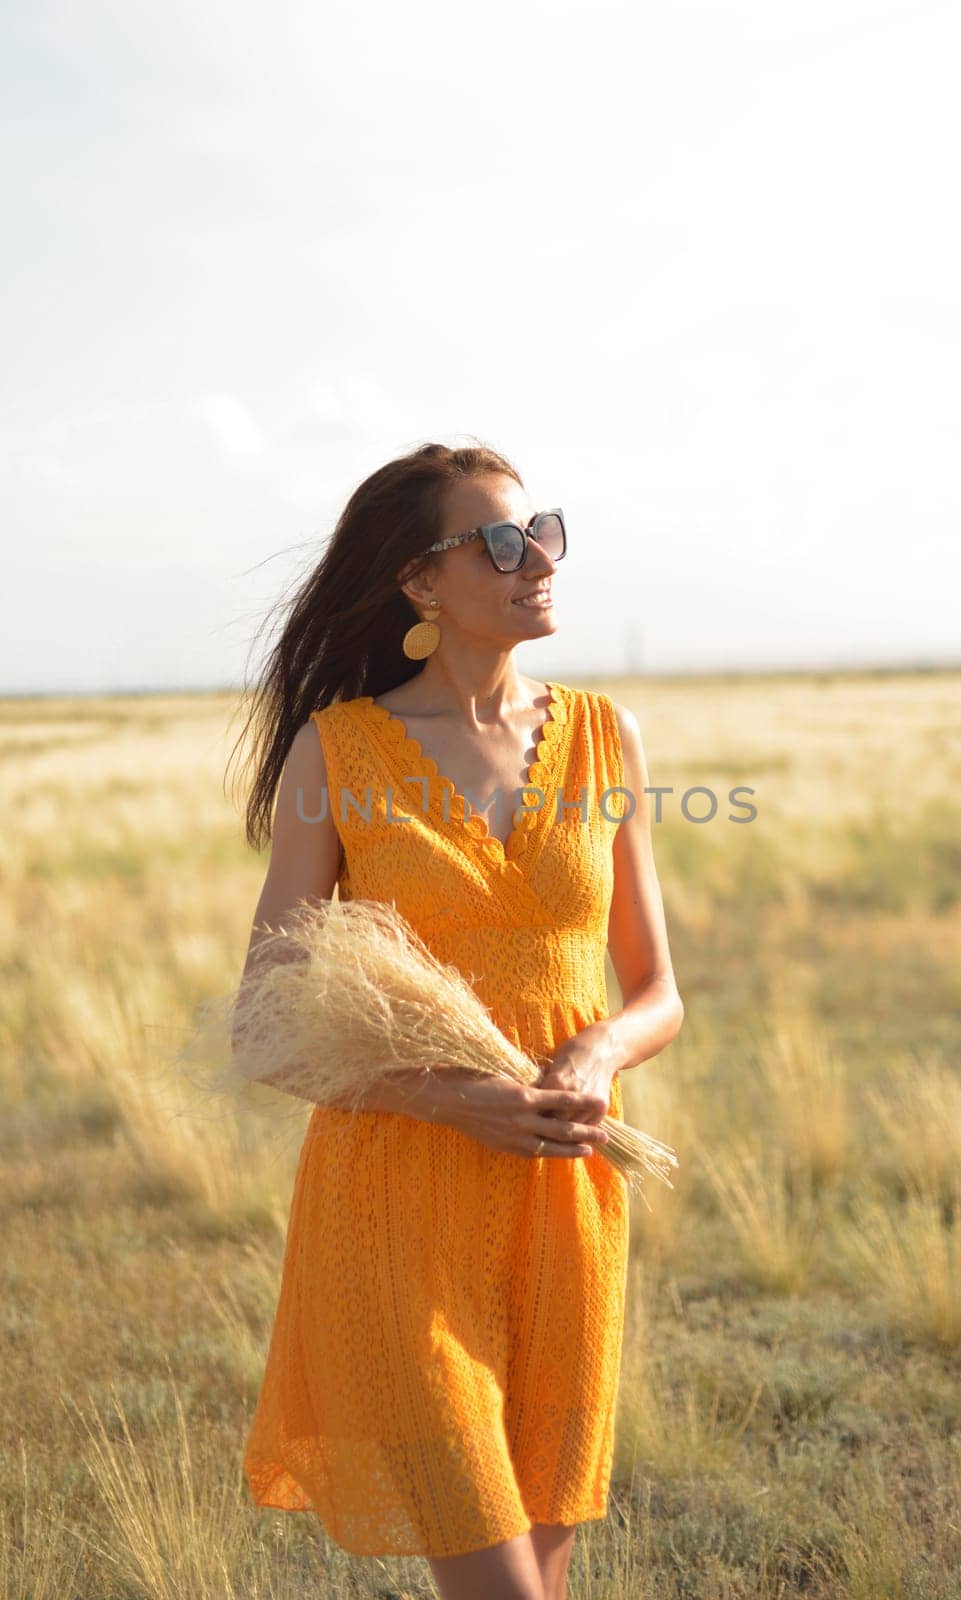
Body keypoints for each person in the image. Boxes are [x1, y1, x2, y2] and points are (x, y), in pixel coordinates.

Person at [232, 439, 684, 1600]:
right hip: (399, 1201)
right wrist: (456, 1099)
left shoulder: (603, 736)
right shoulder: (338, 751)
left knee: (543, 1563)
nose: (535, 558)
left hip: (566, 1199)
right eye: (497, 539)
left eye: (543, 531)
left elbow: (656, 993)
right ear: (420, 583)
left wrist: (598, 1049)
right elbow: (267, 1025)